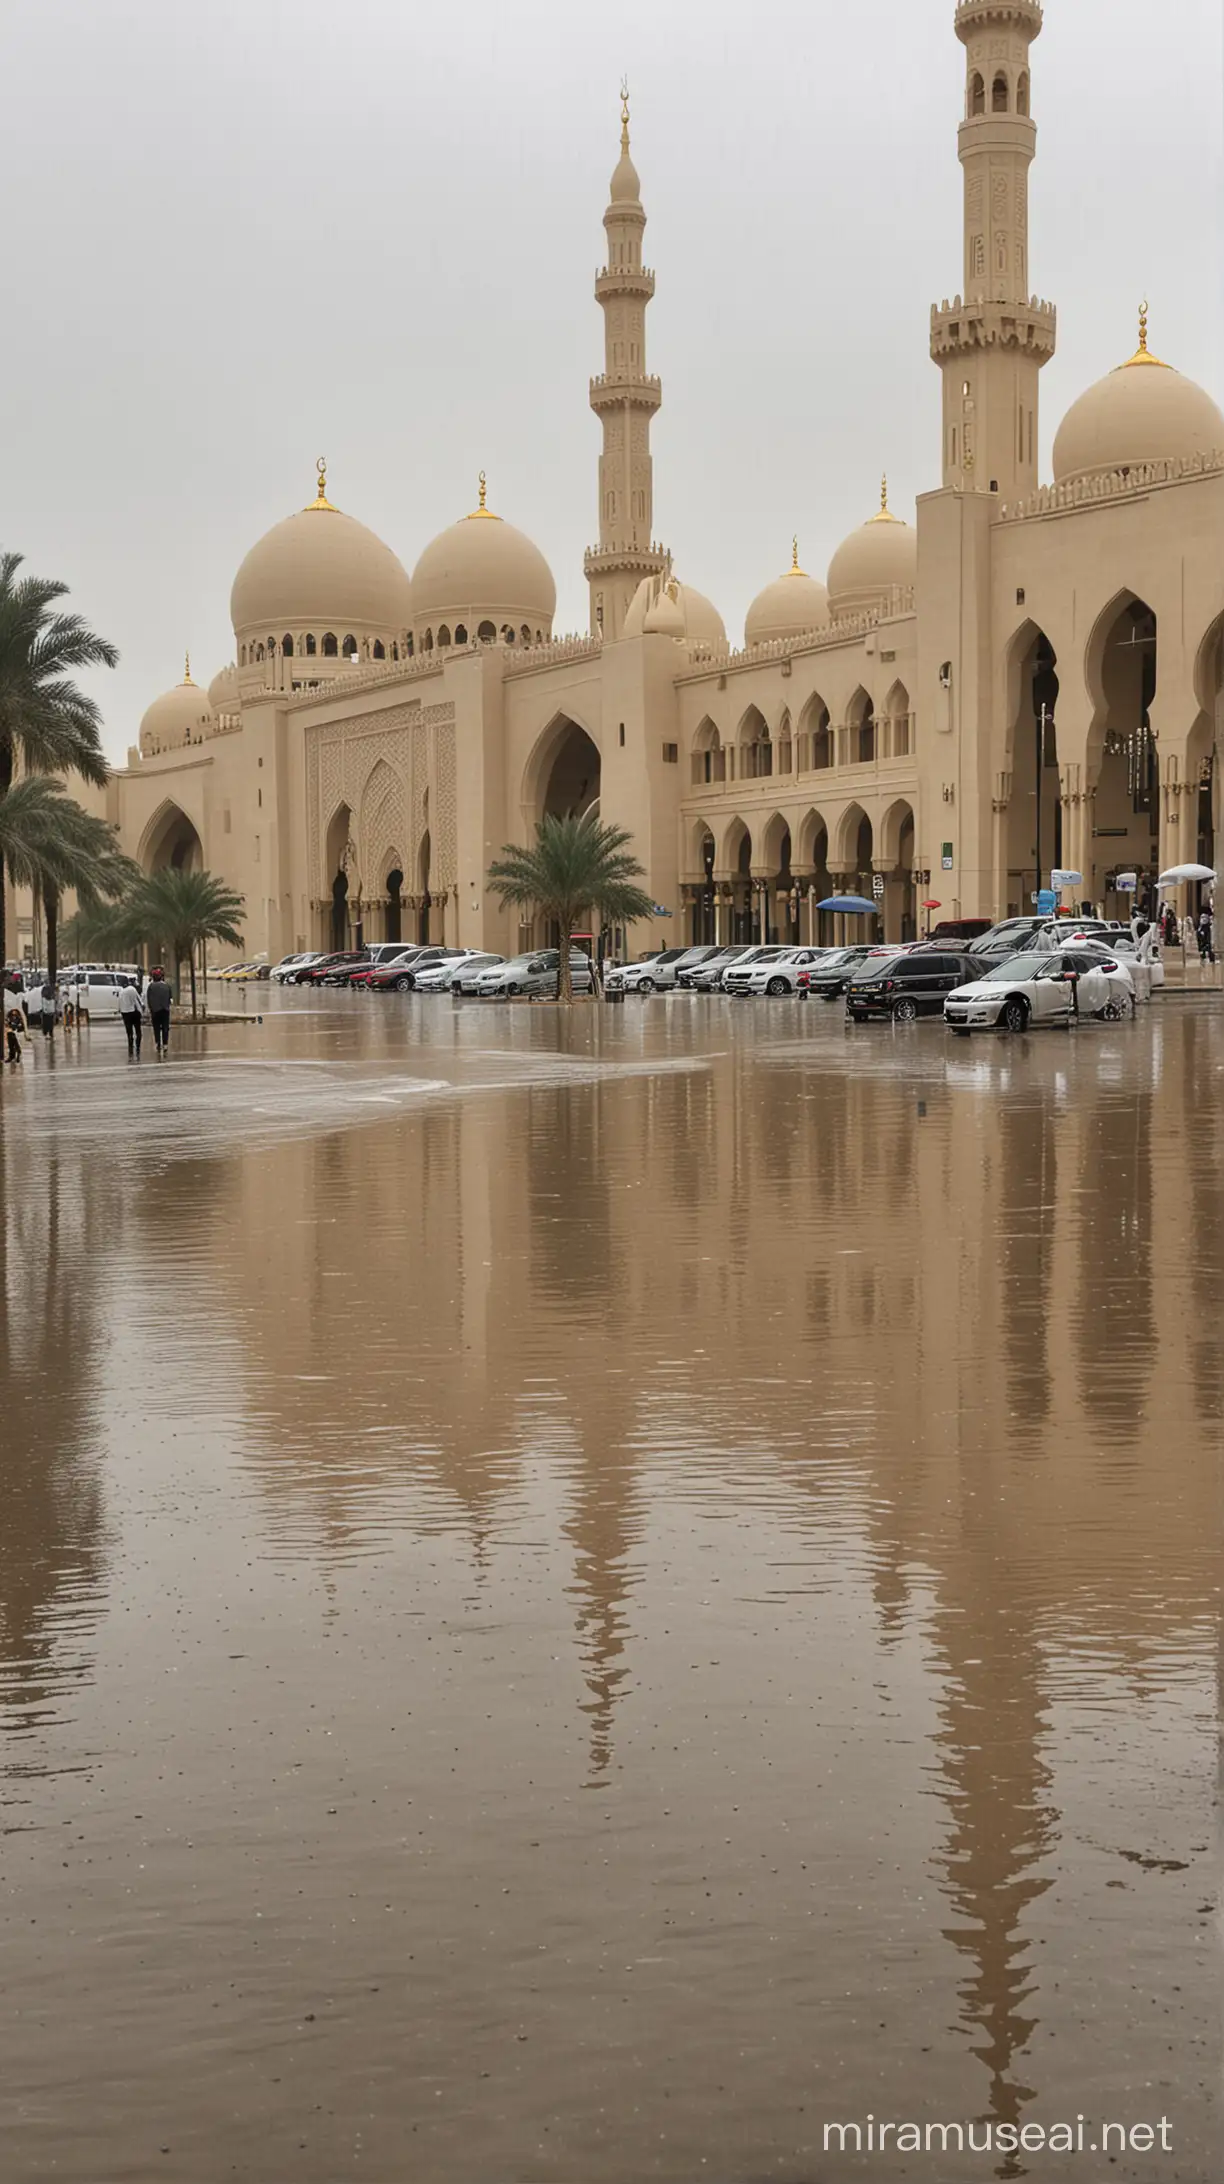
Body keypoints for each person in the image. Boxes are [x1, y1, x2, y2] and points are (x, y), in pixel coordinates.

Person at [146, 966, 173, 1056]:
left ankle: (158, 1043)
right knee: (165, 1028)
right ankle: (165, 1044)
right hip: (165, 1010)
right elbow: (170, 999)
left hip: (155, 1011)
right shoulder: (167, 986)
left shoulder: (151, 986)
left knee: (156, 1028)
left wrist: (151, 1009)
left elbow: (149, 999)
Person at [118, 975, 145, 1058]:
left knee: (129, 1031)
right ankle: (138, 1046)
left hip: (125, 1013)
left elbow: (120, 1004)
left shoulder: (121, 992)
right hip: (135, 1012)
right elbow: (138, 999)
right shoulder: (132, 989)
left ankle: (130, 1045)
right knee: (138, 1030)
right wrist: (142, 1007)